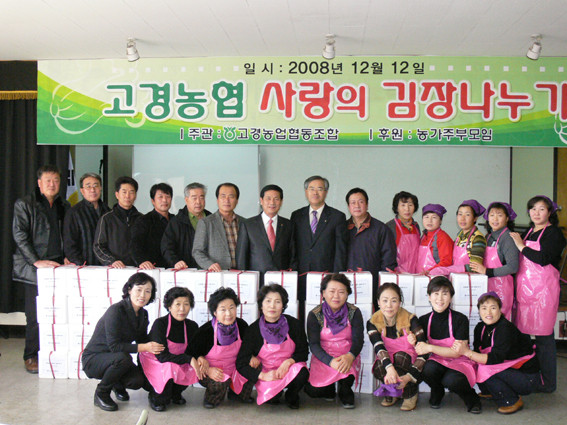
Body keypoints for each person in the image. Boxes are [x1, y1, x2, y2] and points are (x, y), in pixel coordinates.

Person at [12, 164, 70, 373]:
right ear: (39, 183)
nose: (52, 184)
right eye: (48, 181)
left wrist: (67, 257)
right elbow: (20, 235)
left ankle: (53, 352)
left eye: (56, 180)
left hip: (57, 266)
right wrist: (36, 261)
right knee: (35, 315)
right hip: (33, 268)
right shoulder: (25, 204)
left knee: (57, 313)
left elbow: (67, 235)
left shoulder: (64, 205)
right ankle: (30, 355)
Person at [82, 273, 164, 412]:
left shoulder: (143, 314)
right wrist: (145, 347)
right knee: (123, 358)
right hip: (94, 359)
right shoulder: (116, 311)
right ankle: (101, 393)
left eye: (147, 291)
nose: (143, 295)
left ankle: (116, 384)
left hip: (117, 359)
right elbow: (115, 346)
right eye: (139, 290)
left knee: (137, 381)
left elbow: (142, 340)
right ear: (129, 290)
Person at [509, 195, 566, 393]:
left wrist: (521, 246)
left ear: (549, 212)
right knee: (523, 336)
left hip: (544, 292)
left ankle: (549, 383)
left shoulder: (554, 234)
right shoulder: (528, 231)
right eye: (533, 209)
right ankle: (530, 377)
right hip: (524, 291)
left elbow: (543, 259)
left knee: (544, 339)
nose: (536, 213)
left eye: (541, 209)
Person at [451, 292, 542, 414]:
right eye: (484, 308)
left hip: (526, 377)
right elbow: (478, 352)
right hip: (507, 370)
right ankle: (491, 391)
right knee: (476, 365)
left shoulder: (505, 328)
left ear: (500, 309)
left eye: (493, 308)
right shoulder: (480, 328)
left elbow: (494, 359)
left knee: (487, 370)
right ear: (479, 311)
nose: (488, 312)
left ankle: (511, 400)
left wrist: (466, 352)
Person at [236, 284, 309, 409]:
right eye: (268, 301)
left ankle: (292, 394)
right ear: (261, 305)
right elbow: (241, 363)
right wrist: (263, 375)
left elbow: (303, 352)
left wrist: (289, 362)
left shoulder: (294, 325)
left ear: (283, 306)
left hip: (289, 369)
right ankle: (275, 393)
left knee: (302, 373)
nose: (272, 306)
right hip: (267, 372)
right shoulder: (253, 330)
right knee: (272, 399)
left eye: (277, 302)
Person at [416, 276, 481, 413]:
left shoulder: (460, 319)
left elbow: (457, 352)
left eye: (445, 294)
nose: (440, 298)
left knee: (451, 380)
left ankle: (472, 399)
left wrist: (430, 347)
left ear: (451, 297)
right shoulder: (423, 320)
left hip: (459, 361)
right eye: (436, 293)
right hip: (437, 360)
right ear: (429, 297)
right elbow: (420, 348)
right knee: (427, 369)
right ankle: (437, 390)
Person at [290, 176, 347, 320]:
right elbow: (292, 247)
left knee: (325, 315)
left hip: (327, 277)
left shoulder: (337, 217)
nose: (315, 192)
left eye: (320, 189)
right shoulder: (296, 216)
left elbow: (340, 251)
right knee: (302, 314)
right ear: (306, 192)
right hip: (302, 277)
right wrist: (294, 271)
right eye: (312, 189)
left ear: (326, 192)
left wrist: (336, 278)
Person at [304, 273, 363, 409]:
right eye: (331, 291)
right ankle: (328, 388)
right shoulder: (315, 314)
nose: (336, 296)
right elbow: (314, 345)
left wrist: (350, 356)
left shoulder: (354, 312)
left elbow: (358, 340)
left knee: (346, 388)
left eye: (341, 292)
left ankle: (345, 388)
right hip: (324, 357)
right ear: (323, 293)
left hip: (346, 356)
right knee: (313, 391)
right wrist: (330, 361)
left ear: (347, 294)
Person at [139, 286, 202, 411]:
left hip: (176, 361)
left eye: (186, 304)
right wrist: (188, 359)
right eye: (177, 304)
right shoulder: (160, 324)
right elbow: (162, 356)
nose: (182, 309)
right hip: (156, 362)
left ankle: (175, 392)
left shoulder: (192, 326)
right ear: (169, 306)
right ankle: (156, 396)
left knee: (195, 366)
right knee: (170, 367)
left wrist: (199, 359)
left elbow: (195, 350)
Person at [192, 287, 255, 408]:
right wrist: (205, 366)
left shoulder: (241, 325)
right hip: (213, 371)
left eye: (232, 308)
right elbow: (190, 352)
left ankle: (237, 394)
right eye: (223, 309)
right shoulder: (206, 331)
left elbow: (249, 346)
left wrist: (251, 356)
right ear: (215, 312)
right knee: (219, 382)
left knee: (255, 365)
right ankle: (211, 398)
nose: (228, 313)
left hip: (236, 368)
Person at [367, 282, 426, 411]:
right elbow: (378, 347)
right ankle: (392, 390)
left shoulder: (411, 319)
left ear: (399, 302)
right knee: (378, 367)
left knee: (400, 357)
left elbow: (424, 350)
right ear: (378, 302)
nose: (389, 305)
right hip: (387, 360)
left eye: (394, 301)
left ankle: (410, 392)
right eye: (385, 300)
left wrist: (415, 343)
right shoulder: (373, 322)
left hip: (410, 363)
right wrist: (389, 368)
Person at [236, 184, 296, 286]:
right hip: (256, 282)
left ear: (281, 202)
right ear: (261, 200)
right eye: (268, 198)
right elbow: (241, 258)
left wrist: (290, 279)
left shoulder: (288, 225)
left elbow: (293, 256)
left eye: (276, 199)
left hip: (281, 282)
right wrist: (244, 282)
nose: (272, 202)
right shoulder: (248, 225)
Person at [345, 188, 396, 306]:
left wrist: (382, 287)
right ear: (348, 206)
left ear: (367, 205)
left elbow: (388, 260)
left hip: (373, 286)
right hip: (346, 285)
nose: (357, 206)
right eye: (353, 202)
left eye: (361, 202)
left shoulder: (381, 229)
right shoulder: (342, 228)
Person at [469, 202, 519, 319]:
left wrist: (487, 271)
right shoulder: (489, 236)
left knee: (499, 319)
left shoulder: (508, 238)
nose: (495, 219)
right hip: (487, 284)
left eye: (499, 215)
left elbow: (513, 267)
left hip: (501, 287)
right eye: (491, 215)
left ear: (507, 218)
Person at [193, 183, 244, 271]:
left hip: (242, 273)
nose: (227, 200)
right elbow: (197, 251)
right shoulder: (206, 223)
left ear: (237, 201)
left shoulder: (245, 223)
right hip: (217, 273)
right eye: (223, 196)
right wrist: (209, 264)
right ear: (217, 200)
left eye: (231, 196)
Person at [93, 176, 142, 268]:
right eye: (124, 192)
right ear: (117, 195)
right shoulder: (106, 219)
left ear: (135, 195)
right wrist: (112, 261)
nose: (127, 196)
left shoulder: (141, 219)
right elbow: (98, 246)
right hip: (115, 269)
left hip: (138, 269)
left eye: (131, 192)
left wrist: (143, 261)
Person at [63, 172, 110, 265]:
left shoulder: (108, 211)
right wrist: (80, 263)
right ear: (82, 190)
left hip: (106, 265)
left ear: (100, 188)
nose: (92, 190)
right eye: (88, 186)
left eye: (96, 186)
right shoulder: (74, 213)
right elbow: (69, 244)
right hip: (83, 266)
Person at [161, 182, 211, 269]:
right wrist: (175, 262)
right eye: (194, 198)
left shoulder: (211, 219)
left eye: (201, 197)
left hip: (210, 269)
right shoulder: (177, 221)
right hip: (187, 270)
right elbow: (167, 247)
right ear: (186, 200)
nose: (198, 202)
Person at [431, 199, 487, 276]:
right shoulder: (459, 236)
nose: (462, 218)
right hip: (457, 278)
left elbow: (475, 267)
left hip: (470, 280)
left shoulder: (477, 238)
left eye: (467, 215)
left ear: (475, 218)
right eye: (460, 214)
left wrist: (448, 270)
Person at [131, 183, 173, 269]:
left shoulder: (175, 220)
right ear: (153, 201)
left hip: (173, 268)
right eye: (160, 197)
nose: (164, 200)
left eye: (167, 196)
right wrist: (142, 261)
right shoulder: (144, 220)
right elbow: (135, 245)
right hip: (152, 268)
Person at [386, 191, 421, 273]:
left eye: (410, 205)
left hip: (416, 274)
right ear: (397, 208)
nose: (407, 209)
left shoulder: (416, 226)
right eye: (403, 205)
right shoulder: (390, 227)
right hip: (397, 274)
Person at [416, 204, 453, 274]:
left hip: (435, 277)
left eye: (434, 217)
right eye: (426, 217)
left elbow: (446, 262)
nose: (429, 221)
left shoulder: (443, 237)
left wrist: (430, 271)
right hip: (421, 276)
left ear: (440, 221)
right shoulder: (423, 236)